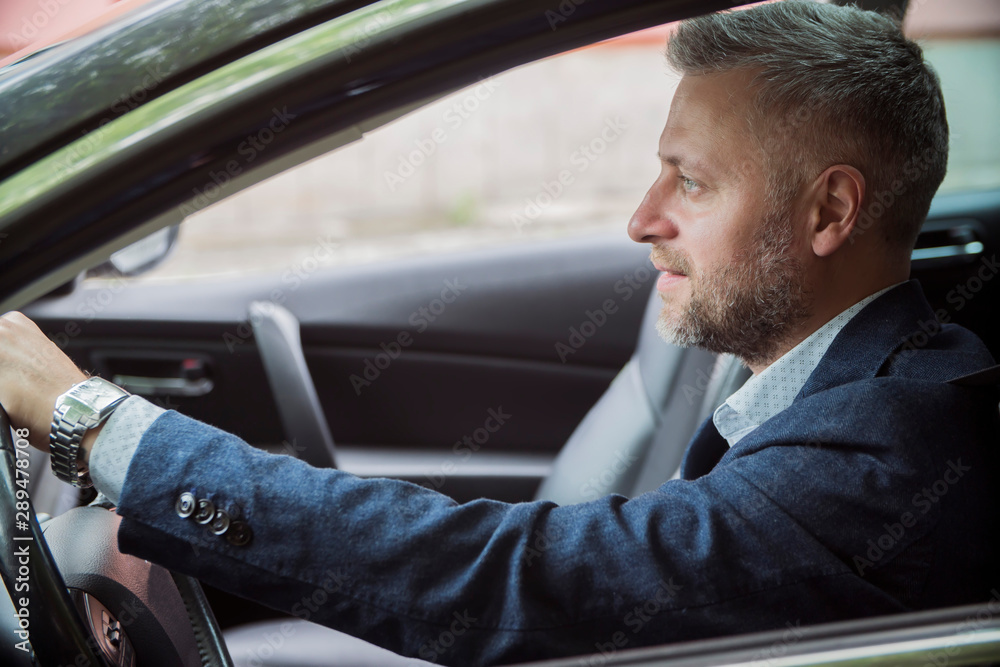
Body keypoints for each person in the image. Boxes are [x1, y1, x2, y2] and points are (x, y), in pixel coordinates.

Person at [1, 1, 998, 665]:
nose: (641, 219)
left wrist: (92, 420)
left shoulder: (884, 457)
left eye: (690, 181)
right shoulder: (840, 381)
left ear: (829, 214)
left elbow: (516, 576)